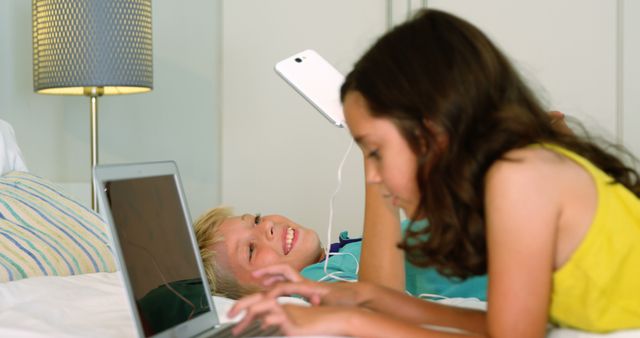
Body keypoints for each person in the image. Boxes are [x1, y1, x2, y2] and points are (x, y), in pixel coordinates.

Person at [229, 8, 640, 337]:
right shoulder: (519, 171)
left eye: (374, 151)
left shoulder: (520, 179)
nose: (372, 176)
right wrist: (361, 297)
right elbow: (502, 329)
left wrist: (350, 322)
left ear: (430, 130)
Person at [193, 206, 487, 300]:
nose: (266, 227)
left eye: (255, 220)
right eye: (251, 250)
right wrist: (377, 173)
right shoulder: (314, 284)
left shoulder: (332, 258)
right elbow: (379, 303)